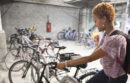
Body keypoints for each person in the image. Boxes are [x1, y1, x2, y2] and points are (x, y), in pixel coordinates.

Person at [56, 2, 128, 83]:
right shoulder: (108, 33)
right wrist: (79, 58)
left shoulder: (114, 39)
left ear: (104, 19)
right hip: (106, 72)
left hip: (116, 78)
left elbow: (90, 58)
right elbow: (96, 51)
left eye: (95, 21)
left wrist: (65, 64)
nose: (95, 24)